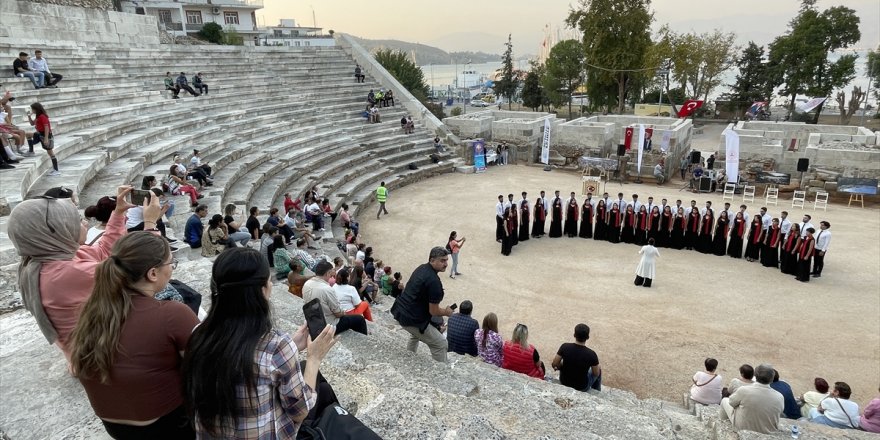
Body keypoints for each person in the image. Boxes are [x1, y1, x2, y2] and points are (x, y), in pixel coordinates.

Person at [183, 248, 338, 438]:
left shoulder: (198, 334)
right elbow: (300, 412)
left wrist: (292, 346)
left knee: (319, 385)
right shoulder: (276, 345)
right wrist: (314, 357)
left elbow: (243, 356)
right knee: (320, 388)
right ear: (262, 289)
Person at [69, 232, 198, 438]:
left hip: (115, 427)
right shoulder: (172, 314)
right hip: (166, 427)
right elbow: (207, 367)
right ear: (153, 273)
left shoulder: (91, 311)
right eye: (171, 264)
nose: (171, 270)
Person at [7, 186, 148, 360]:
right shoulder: (70, 273)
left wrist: (118, 213)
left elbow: (104, 250)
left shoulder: (45, 261)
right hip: (98, 355)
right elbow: (145, 278)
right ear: (58, 230)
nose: (85, 223)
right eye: (77, 219)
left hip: (83, 347)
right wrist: (150, 225)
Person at [390, 247, 455, 362]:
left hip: (400, 310)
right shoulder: (434, 282)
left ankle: (409, 358)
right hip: (412, 318)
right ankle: (442, 373)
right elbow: (433, 311)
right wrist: (446, 311)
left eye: (446, 260)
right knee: (440, 343)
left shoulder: (421, 268)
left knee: (415, 335)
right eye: (442, 261)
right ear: (432, 260)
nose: (446, 264)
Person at [302, 261, 368, 335]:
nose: (332, 275)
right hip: (328, 325)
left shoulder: (307, 284)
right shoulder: (327, 289)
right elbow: (338, 314)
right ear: (328, 273)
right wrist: (344, 312)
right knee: (360, 319)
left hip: (314, 321)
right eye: (331, 273)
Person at [719, 364, 784, 434]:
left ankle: (722, 429)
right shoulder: (779, 396)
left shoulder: (744, 390)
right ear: (771, 380)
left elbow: (731, 402)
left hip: (743, 428)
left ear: (755, 376)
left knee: (725, 400)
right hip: (768, 431)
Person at [552, 323, 601, 392]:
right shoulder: (591, 354)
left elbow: (554, 364)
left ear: (574, 335)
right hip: (582, 386)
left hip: (564, 381)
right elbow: (596, 373)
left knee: (563, 362)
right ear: (587, 337)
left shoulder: (564, 347)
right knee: (598, 369)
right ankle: (596, 391)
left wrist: (560, 366)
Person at [25, 102, 60, 175]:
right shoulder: (38, 116)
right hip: (39, 134)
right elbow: (32, 124)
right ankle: (31, 151)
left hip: (45, 135)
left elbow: (46, 128)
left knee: (50, 152)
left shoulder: (42, 116)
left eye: (32, 109)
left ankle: (56, 170)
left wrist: (46, 138)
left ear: (36, 109)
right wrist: (29, 116)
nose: (32, 110)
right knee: (28, 135)